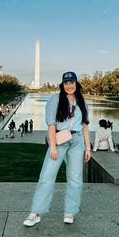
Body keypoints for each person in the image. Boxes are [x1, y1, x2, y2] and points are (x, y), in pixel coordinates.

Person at [23, 71, 91, 227]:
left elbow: (85, 125)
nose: (69, 86)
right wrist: (52, 146)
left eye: (71, 83)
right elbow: (51, 125)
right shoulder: (55, 99)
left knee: (75, 178)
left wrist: (88, 147)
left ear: (76, 84)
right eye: (66, 83)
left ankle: (70, 211)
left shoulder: (82, 101)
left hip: (77, 141)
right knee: (47, 175)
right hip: (60, 140)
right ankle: (36, 212)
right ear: (62, 85)